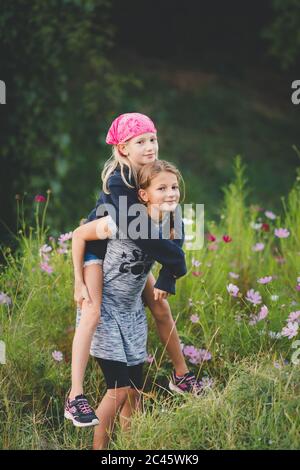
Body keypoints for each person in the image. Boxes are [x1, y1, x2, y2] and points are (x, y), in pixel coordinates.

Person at [64, 113, 203, 428]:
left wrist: (169, 274)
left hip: (133, 252)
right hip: (99, 249)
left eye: (152, 138)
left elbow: (174, 221)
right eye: (141, 141)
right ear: (124, 148)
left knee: (160, 305)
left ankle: (181, 375)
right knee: (93, 310)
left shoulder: (155, 175)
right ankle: (75, 396)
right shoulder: (119, 180)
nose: (150, 146)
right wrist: (177, 262)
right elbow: (138, 230)